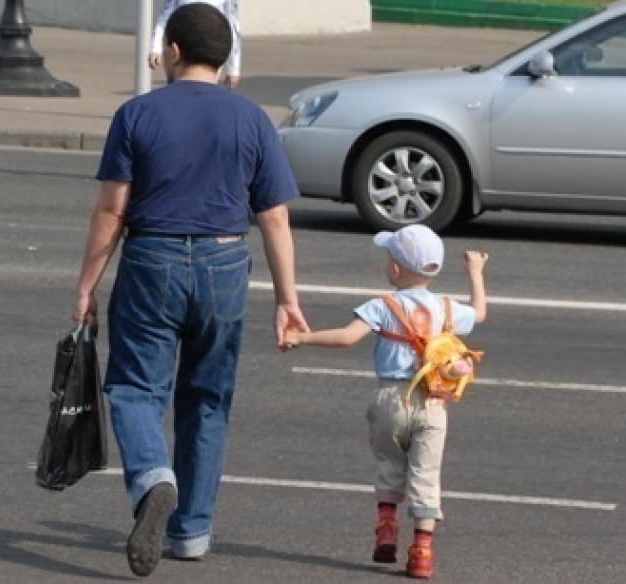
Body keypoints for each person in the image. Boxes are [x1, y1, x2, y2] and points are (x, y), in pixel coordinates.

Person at [72, 4, 308, 577]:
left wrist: (85, 286)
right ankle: (193, 532)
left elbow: (112, 209)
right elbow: (273, 217)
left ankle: (154, 478)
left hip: (151, 257)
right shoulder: (252, 119)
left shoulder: (137, 114)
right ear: (224, 57)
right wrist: (288, 300)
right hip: (226, 260)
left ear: (173, 52)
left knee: (133, 387)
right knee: (207, 398)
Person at [283, 225, 489, 580]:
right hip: (432, 402)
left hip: (390, 399)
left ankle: (387, 527)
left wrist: (303, 338)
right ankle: (422, 551)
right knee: (426, 475)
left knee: (388, 464)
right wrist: (475, 272)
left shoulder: (382, 305)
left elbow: (347, 338)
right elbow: (480, 313)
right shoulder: (446, 309)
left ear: (395, 269)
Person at [148, 0, 241, 89]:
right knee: (179, 85)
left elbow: (232, 24)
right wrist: (155, 48)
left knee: (204, 86)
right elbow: (165, 16)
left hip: (211, 45)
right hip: (183, 45)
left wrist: (233, 69)